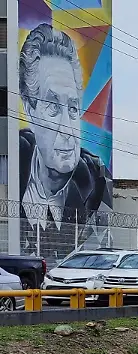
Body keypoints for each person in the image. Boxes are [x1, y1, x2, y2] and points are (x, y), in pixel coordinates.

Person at [18, 23, 113, 266]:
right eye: (52, 107)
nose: (67, 129)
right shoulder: (11, 168)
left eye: (72, 109)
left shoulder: (98, 182)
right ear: (30, 109)